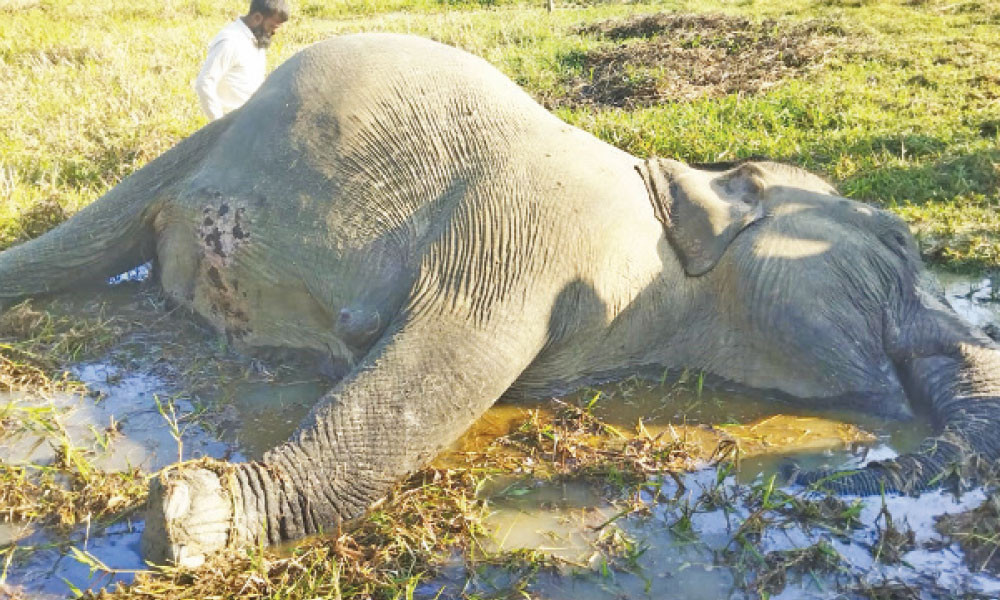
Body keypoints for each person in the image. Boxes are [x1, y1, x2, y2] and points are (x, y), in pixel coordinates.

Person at [195, 0, 290, 120]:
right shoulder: (230, 42)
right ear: (257, 18)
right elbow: (204, 82)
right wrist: (219, 124)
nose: (274, 32)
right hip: (232, 124)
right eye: (272, 27)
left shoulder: (256, 38)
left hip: (250, 120)